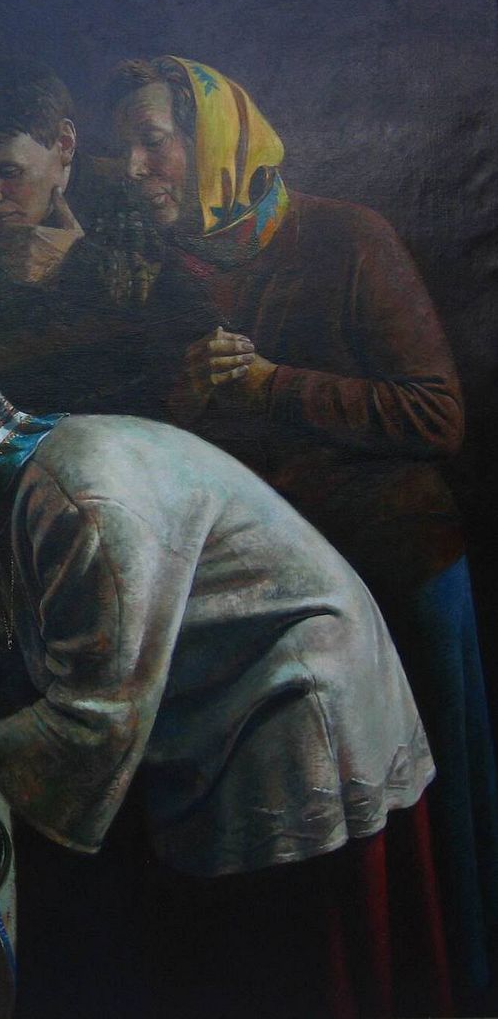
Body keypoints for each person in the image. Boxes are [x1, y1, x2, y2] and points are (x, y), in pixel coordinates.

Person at [0, 354, 451, 1018]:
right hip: (219, 699)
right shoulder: (8, 496)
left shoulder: (76, 496)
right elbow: (6, 656)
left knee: (280, 973)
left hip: (296, 701)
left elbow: (93, 718)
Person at [109, 54, 498, 1004]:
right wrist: (187, 403)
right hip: (283, 615)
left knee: (426, 849)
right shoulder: (177, 282)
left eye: (152, 143)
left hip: (399, 583)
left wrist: (271, 385)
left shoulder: (346, 237)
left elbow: (437, 416)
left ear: (214, 143)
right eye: (126, 149)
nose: (133, 168)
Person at [0, 62, 199, 415]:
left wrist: (76, 261)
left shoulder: (143, 196)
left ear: (65, 143)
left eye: (8, 172)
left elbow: (187, 323)